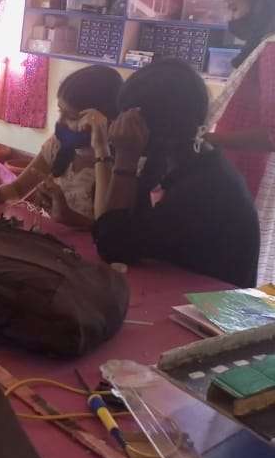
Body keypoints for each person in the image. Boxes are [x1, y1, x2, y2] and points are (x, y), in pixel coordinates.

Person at [93, 59, 260, 288]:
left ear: (151, 124)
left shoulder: (207, 187)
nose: (119, 127)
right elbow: (126, 224)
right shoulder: (170, 161)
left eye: (127, 119)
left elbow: (113, 245)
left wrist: (125, 157)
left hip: (210, 304)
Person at [0, 64, 122, 229]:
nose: (60, 122)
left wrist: (70, 217)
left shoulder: (119, 162)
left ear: (102, 121)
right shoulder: (59, 144)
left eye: (71, 117)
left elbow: (107, 229)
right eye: (60, 112)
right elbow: (17, 189)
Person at [206, 0, 275, 283]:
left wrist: (211, 140)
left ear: (262, 1)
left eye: (234, 7)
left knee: (239, 263)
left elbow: (272, 134)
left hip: (253, 174)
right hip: (243, 170)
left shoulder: (273, 49)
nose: (230, 18)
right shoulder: (265, 46)